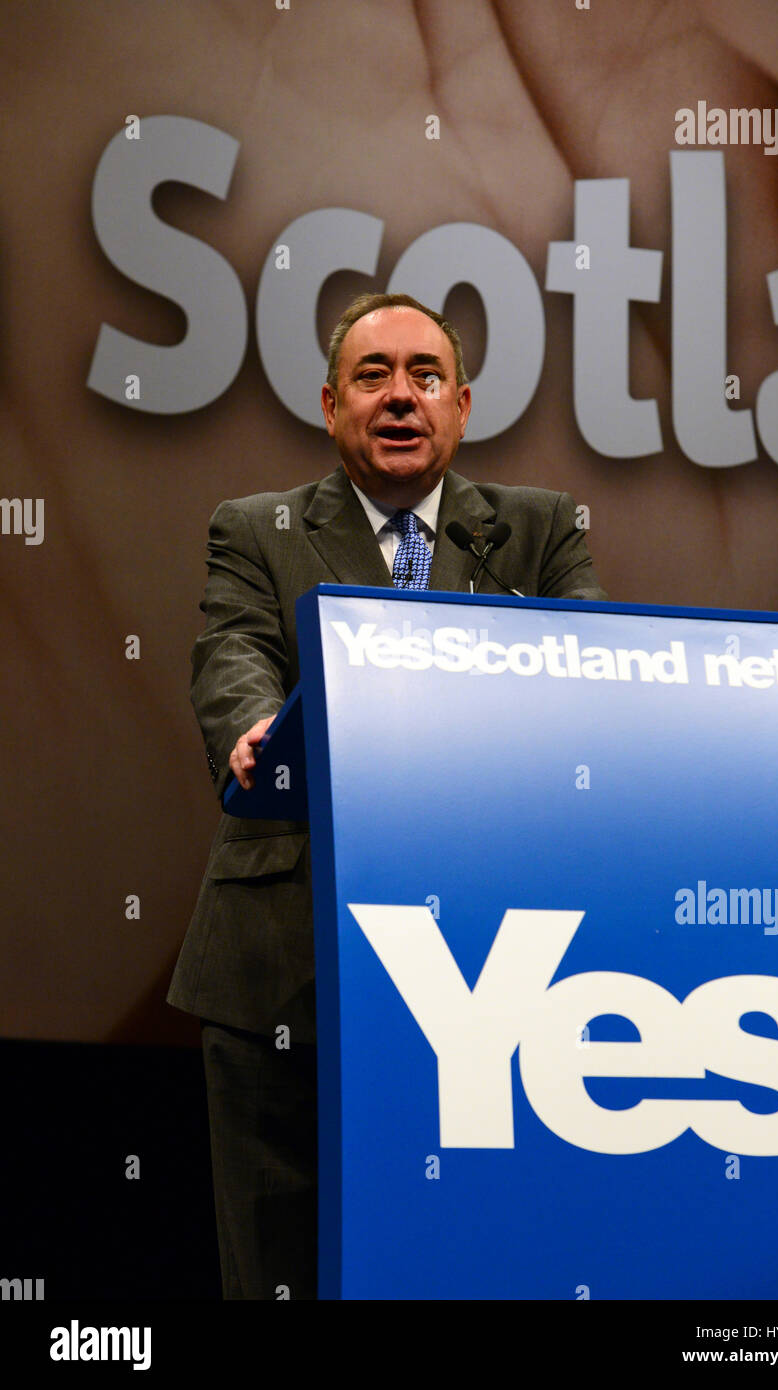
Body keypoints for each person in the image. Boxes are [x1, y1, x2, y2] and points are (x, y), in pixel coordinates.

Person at [166, 289, 607, 1299]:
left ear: (463, 405)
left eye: (423, 376)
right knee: (282, 1264)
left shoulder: (535, 534)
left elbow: (588, 667)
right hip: (287, 963)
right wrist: (252, 729)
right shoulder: (257, 528)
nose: (399, 396)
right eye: (373, 377)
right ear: (330, 407)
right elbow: (233, 652)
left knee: (465, 1260)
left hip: (494, 971)